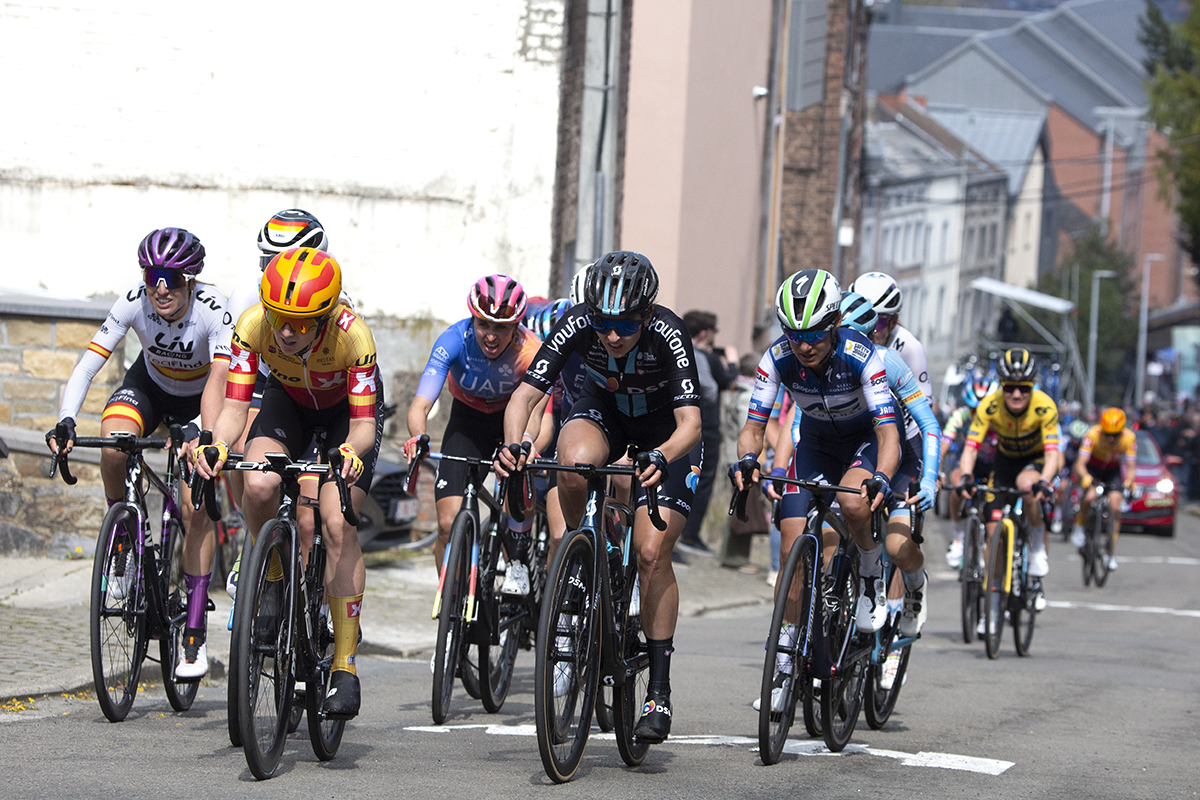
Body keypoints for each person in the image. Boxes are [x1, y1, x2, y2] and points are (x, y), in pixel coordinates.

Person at [497, 250, 702, 744]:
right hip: (605, 409)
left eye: (625, 326)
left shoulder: (669, 333)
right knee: (573, 465)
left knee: (652, 553)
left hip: (664, 432)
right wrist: (514, 446)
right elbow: (525, 396)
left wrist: (662, 455)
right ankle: (582, 553)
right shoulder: (578, 321)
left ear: (646, 314)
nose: (611, 336)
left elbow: (691, 424)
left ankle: (658, 690)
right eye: (604, 324)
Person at [194, 247, 383, 719]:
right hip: (290, 404)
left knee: (336, 522)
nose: (284, 331)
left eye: (300, 323)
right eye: (279, 319)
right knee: (257, 484)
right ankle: (273, 578)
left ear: (323, 317)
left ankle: (344, 663)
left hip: (345, 418)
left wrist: (348, 454)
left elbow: (363, 426)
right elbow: (236, 410)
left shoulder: (352, 336)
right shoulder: (253, 324)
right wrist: (217, 445)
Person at [49, 227, 233, 680]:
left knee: (195, 510)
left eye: (171, 276)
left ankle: (193, 630)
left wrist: (203, 432)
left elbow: (223, 380)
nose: (161, 287)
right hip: (149, 387)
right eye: (153, 275)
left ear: (191, 278)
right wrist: (66, 419)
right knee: (113, 442)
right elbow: (89, 363)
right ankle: (124, 544)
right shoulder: (134, 299)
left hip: (201, 399)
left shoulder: (215, 309)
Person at [732, 270, 899, 714]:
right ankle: (785, 659)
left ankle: (868, 575)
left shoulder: (863, 355)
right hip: (818, 446)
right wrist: (751, 460)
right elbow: (754, 427)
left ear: (834, 325)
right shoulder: (777, 358)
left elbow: (888, 435)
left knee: (852, 500)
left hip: (863, 441)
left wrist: (882, 475)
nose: (803, 346)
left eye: (814, 336)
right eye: (794, 335)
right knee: (790, 546)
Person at [404, 274, 546, 597]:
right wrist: (418, 436)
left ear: (517, 327)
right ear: (473, 319)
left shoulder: (530, 350)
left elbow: (535, 413)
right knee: (445, 524)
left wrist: (524, 443)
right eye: (484, 325)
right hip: (467, 421)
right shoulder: (454, 339)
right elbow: (420, 404)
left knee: (516, 474)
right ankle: (451, 603)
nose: (491, 336)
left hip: (511, 420)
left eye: (502, 327)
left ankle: (517, 562)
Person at [223, 208, 332, 598]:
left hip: (322, 395)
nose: (273, 271)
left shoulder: (328, 294)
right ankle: (253, 542)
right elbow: (226, 372)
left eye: (281, 261)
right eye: (266, 261)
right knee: (241, 449)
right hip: (271, 382)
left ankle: (314, 598)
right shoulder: (247, 297)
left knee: (311, 514)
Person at [956, 348, 1059, 609]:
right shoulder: (989, 406)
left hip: (1034, 461)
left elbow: (1053, 455)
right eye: (1010, 387)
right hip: (1003, 463)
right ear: (1002, 385)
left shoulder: (1044, 405)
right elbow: (970, 447)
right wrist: (967, 475)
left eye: (1023, 389)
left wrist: (1044, 482)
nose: (1016, 394)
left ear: (1032, 387)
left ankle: (1036, 548)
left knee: (1028, 485)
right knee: (993, 534)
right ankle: (991, 605)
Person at [678, 311, 738, 556]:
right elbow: (728, 382)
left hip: (679, 423)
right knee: (701, 481)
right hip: (705, 427)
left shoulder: (678, 350)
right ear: (704, 333)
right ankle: (690, 535)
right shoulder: (706, 358)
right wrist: (732, 361)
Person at [849, 272, 935, 415]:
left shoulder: (910, 348)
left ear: (893, 322)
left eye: (878, 323)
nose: (868, 330)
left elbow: (924, 413)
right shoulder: (838, 339)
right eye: (861, 320)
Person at [1071, 407, 1137, 570]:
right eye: (1107, 434)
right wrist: (1085, 477)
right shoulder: (1092, 434)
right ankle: (1079, 526)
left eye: (1115, 435)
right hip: (1093, 469)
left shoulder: (1129, 438)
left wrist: (1129, 481)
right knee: (1090, 497)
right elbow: (1080, 463)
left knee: (1115, 507)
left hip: (1112, 471)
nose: (1110, 439)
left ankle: (1110, 553)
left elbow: (1130, 466)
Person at [943, 376, 998, 568]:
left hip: (994, 465)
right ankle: (958, 537)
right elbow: (944, 442)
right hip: (968, 462)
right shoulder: (961, 415)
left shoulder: (1000, 418)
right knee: (957, 485)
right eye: (974, 410)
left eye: (983, 409)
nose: (978, 415)